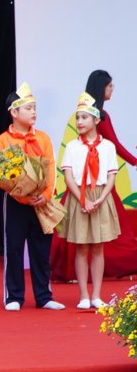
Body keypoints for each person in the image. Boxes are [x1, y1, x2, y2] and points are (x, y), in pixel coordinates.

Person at [51, 70, 137, 280]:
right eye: (109, 86)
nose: (112, 89)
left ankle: (77, 272)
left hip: (96, 179)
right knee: (110, 231)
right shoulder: (99, 117)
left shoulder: (99, 117)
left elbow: (111, 146)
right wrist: (135, 161)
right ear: (102, 88)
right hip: (87, 180)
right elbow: (116, 145)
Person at [0, 82, 64, 312]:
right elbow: (0, 174)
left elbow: (52, 168)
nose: (34, 112)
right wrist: (22, 196)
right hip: (15, 202)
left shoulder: (43, 138)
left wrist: (45, 194)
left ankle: (44, 295)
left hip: (41, 202)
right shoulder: (3, 140)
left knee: (41, 249)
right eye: (29, 108)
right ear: (14, 112)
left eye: (35, 107)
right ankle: (13, 295)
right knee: (13, 247)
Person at [58, 92, 120, 309]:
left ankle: (97, 295)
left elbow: (112, 177)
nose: (80, 122)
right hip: (79, 197)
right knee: (82, 247)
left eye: (84, 117)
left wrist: (101, 199)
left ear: (96, 120)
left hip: (101, 197)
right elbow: (68, 177)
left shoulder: (108, 147)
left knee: (98, 247)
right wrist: (82, 200)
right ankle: (83, 295)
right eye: (78, 117)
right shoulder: (72, 147)